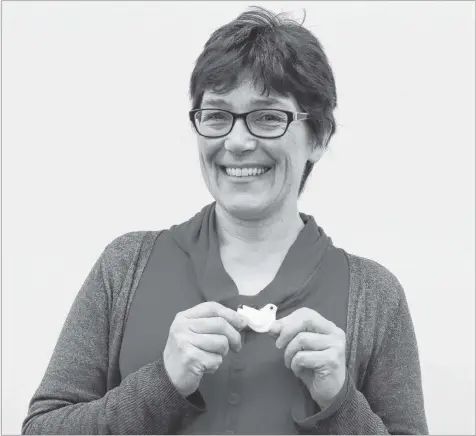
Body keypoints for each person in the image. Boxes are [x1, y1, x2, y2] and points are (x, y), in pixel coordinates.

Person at [22, 6, 428, 435]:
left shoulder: (375, 297)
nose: (236, 142)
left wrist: (341, 401)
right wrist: (162, 383)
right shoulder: (124, 267)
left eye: (268, 117)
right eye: (216, 115)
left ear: (320, 137)